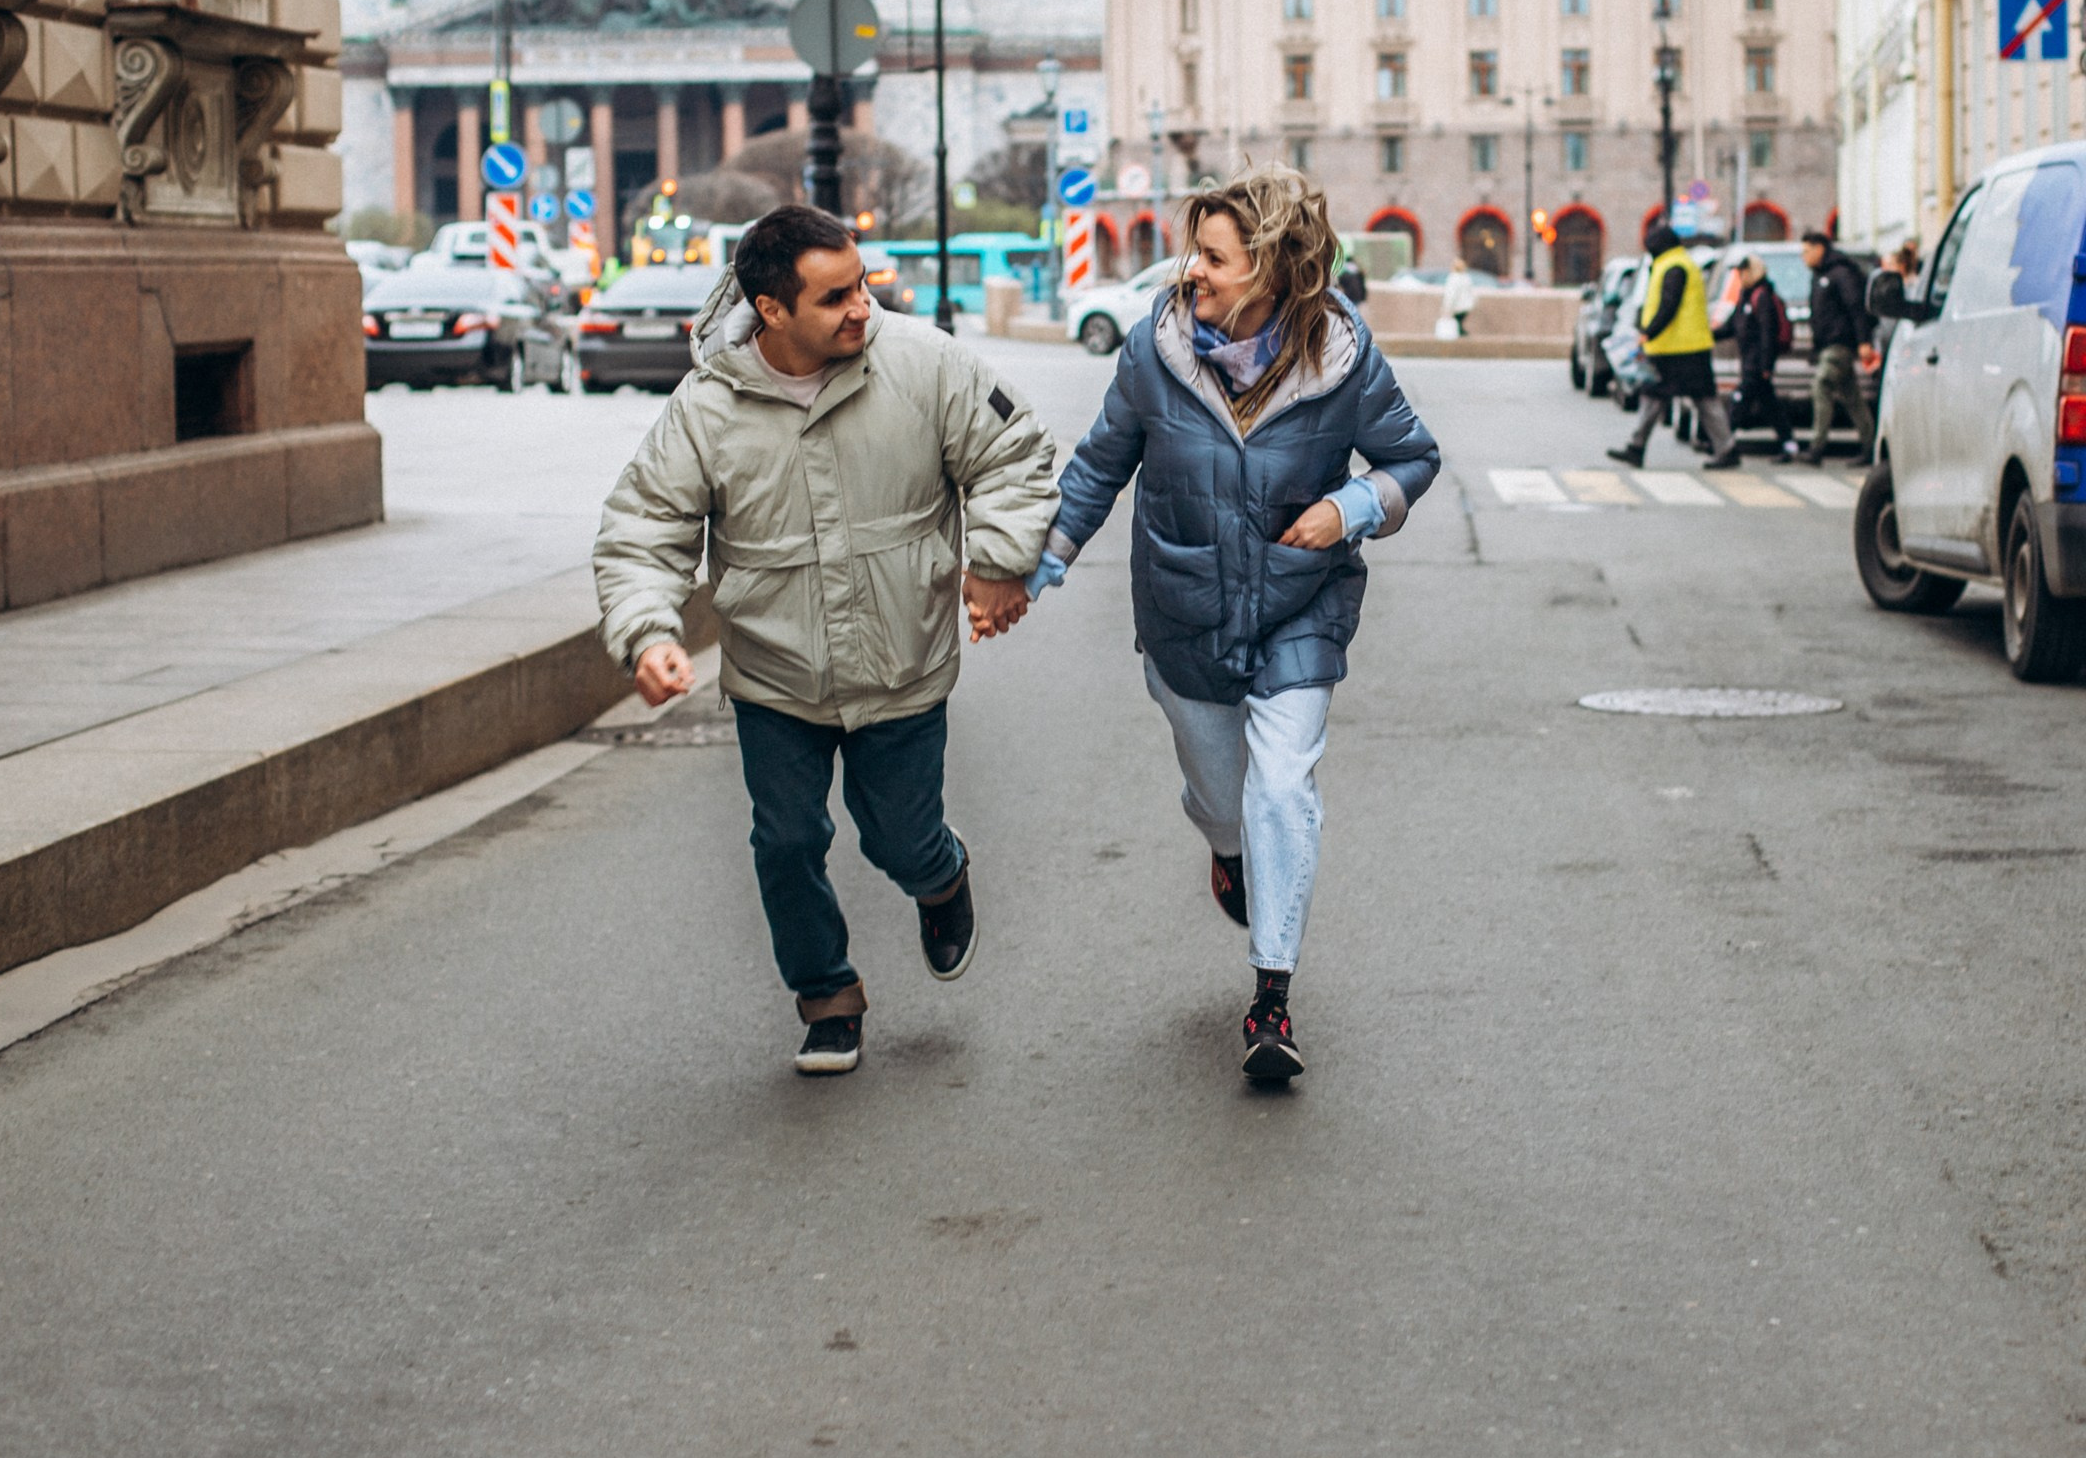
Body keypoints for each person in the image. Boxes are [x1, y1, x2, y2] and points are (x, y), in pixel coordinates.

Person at [593, 204, 1059, 1077]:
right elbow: (643, 528)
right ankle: (827, 998)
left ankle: (941, 876)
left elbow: (1014, 452)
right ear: (771, 310)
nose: (861, 308)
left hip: (902, 665)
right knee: (786, 841)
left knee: (898, 838)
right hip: (775, 677)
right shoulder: (707, 408)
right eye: (834, 296)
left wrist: (997, 561)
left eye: (862, 284)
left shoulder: (924, 364)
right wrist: (650, 631)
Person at [1026, 163, 1439, 1083]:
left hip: (1300, 606)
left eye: (1213, 257)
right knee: (1224, 801)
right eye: (1194, 253)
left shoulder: (1343, 358)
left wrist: (1355, 506)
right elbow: (1098, 468)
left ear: (1274, 269)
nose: (1192, 273)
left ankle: (1272, 997)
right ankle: (1224, 851)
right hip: (1185, 615)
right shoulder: (1154, 352)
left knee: (1282, 788)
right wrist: (1039, 567)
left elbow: (1413, 457)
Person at [1607, 223, 1740, 470]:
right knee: (1674, 396)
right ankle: (1638, 446)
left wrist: (1649, 332)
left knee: (1690, 397)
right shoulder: (1677, 262)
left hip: (1679, 347)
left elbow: (1669, 303)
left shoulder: (1674, 265)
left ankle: (1725, 448)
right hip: (1681, 346)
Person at [1802, 229, 1876, 466]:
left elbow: (1855, 307)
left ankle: (1816, 447)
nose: (1804, 257)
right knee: (1852, 397)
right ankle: (1870, 446)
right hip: (1828, 344)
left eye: (1806, 251)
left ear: (1819, 248)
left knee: (1821, 385)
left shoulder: (1840, 273)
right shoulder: (1819, 275)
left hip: (1840, 343)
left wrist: (1864, 340)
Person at [1714, 253, 1798, 462]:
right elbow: (1731, 326)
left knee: (1739, 401)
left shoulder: (1762, 296)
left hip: (1757, 363)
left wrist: (1766, 365)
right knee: (1770, 406)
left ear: (1752, 272)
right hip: (1750, 361)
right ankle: (1789, 444)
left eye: (1742, 272)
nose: (1739, 276)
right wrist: (1707, 336)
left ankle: (1723, 445)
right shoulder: (1745, 296)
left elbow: (1768, 333)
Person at [1441, 257, 1478, 336]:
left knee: (1456, 325)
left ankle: (1460, 336)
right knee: (1459, 324)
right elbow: (1472, 293)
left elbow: (1451, 294)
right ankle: (1462, 334)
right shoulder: (1466, 278)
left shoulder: (1453, 278)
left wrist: (1447, 307)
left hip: (1457, 306)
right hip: (1466, 306)